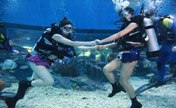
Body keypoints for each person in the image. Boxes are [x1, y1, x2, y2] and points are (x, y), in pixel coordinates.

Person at [5, 17, 98, 108]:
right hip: (37, 59)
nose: (68, 30)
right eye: (66, 28)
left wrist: (94, 47)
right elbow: (73, 43)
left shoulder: (65, 39)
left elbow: (78, 47)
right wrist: (92, 42)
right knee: (48, 81)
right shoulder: (55, 35)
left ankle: (12, 101)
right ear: (61, 28)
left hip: (45, 62)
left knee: (30, 87)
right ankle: (24, 84)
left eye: (70, 28)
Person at [97, 7, 144, 108]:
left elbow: (118, 35)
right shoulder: (125, 25)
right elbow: (118, 42)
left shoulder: (134, 24)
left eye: (125, 13)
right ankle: (115, 88)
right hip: (123, 53)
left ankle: (135, 103)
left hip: (132, 54)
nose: (123, 16)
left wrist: (102, 41)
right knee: (106, 69)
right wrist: (104, 46)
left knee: (123, 81)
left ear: (131, 13)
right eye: (122, 14)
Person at [147, 10, 176, 86]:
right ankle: (160, 80)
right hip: (164, 46)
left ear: (153, 15)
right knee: (160, 63)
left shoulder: (166, 21)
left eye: (149, 17)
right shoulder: (151, 25)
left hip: (172, 46)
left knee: (174, 61)